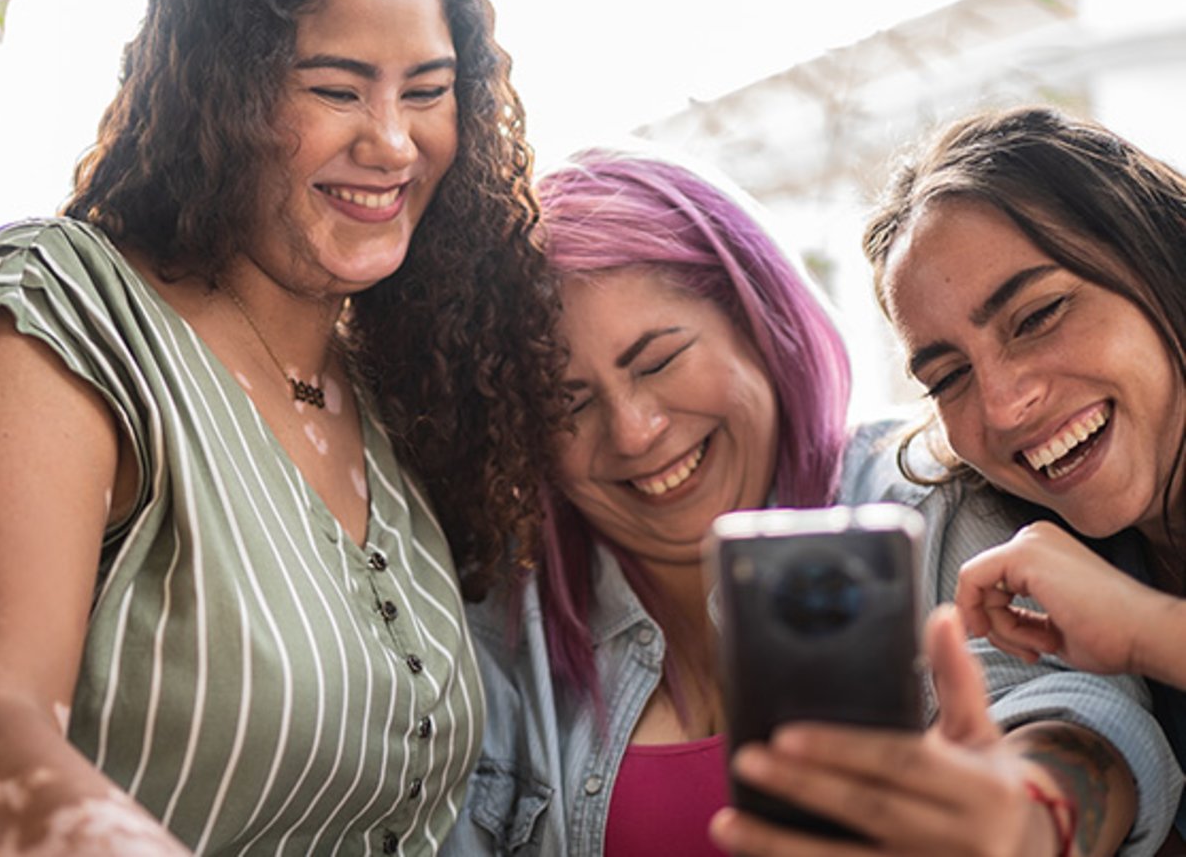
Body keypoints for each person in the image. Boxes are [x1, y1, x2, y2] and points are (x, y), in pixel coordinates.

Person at [0, 0, 561, 856]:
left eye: (426, 91)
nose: (391, 141)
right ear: (226, 95)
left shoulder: (386, 401)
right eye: (337, 90)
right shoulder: (47, 314)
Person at [445, 147, 1182, 857]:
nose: (636, 433)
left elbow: (1072, 715)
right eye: (565, 404)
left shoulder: (925, 493)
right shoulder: (506, 620)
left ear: (758, 323)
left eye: (661, 359)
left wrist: (1020, 819)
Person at [862, 103, 1186, 849]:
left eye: (1038, 314)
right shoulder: (1015, 542)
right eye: (948, 376)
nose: (1005, 407)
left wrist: (1145, 631)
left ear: (1156, 252)